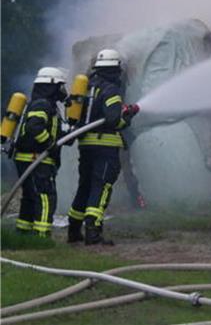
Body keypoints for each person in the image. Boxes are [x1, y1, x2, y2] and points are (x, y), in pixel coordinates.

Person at [67, 49, 139, 245]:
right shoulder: (110, 89)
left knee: (85, 187)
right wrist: (128, 116)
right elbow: (114, 120)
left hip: (86, 145)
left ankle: (74, 230)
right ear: (115, 69)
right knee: (102, 186)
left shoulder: (87, 87)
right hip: (105, 147)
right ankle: (93, 231)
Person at [13, 67, 70, 238]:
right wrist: (49, 144)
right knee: (45, 196)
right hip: (37, 159)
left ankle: (23, 232)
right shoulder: (42, 104)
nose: (63, 90)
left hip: (30, 158)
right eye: (60, 86)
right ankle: (42, 235)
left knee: (30, 197)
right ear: (51, 86)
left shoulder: (45, 104)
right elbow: (34, 127)